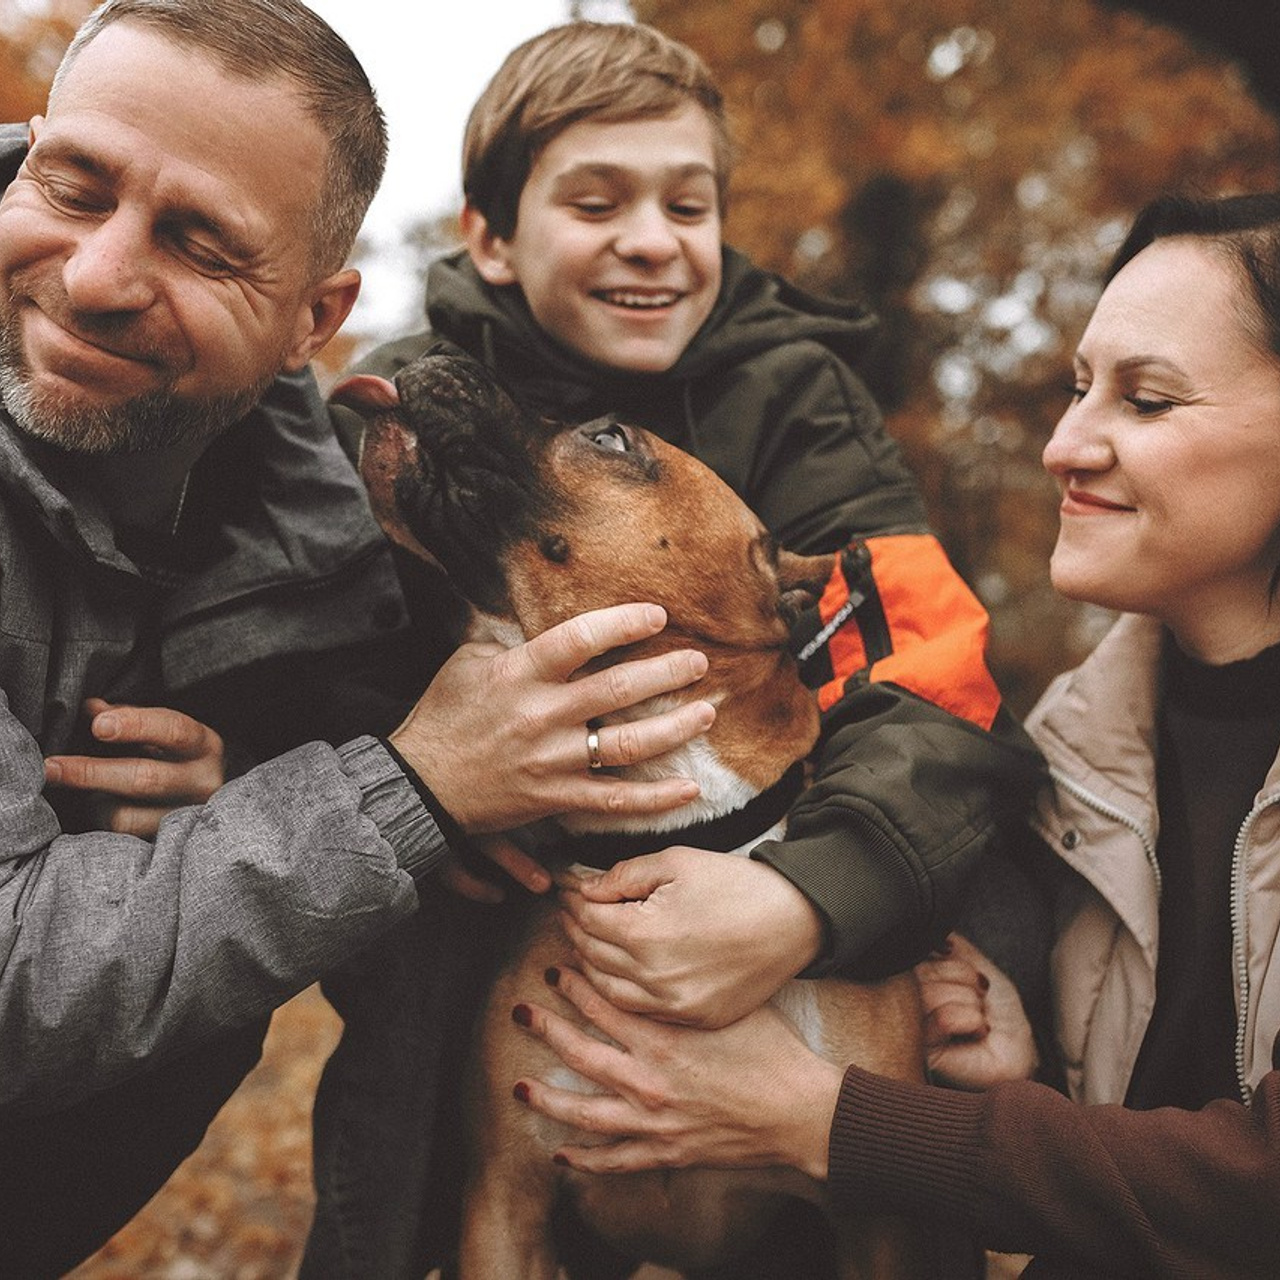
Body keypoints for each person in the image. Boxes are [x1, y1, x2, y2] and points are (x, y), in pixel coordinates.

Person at [309, 19, 1045, 1278]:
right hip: (512, 879)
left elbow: (920, 660)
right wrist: (415, 780)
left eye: (686, 203)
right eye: (596, 200)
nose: (650, 237)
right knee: (412, 1008)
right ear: (489, 236)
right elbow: (314, 635)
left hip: (773, 809)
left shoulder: (794, 393)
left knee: (963, 835)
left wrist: (809, 897)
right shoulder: (411, 400)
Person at [0, 2, 719, 1274]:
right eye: (74, 183)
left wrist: (869, 912)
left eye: (202, 241)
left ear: (313, 321)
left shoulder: (338, 530)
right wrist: (405, 789)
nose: (100, 274)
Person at [512, 190, 1280, 1280]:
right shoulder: (1070, 755)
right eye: (1075, 388)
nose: (1064, 444)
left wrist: (825, 1118)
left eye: (1145, 400)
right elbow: (1156, 1130)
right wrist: (1034, 1088)